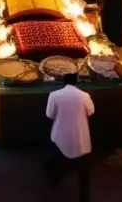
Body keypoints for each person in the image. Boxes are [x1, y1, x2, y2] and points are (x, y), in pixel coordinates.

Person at [45, 72, 94, 201]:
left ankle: (54, 179)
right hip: (80, 137)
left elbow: (49, 114)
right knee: (83, 172)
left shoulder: (54, 95)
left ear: (64, 82)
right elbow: (91, 112)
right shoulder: (85, 96)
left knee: (59, 160)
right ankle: (85, 198)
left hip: (60, 136)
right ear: (76, 82)